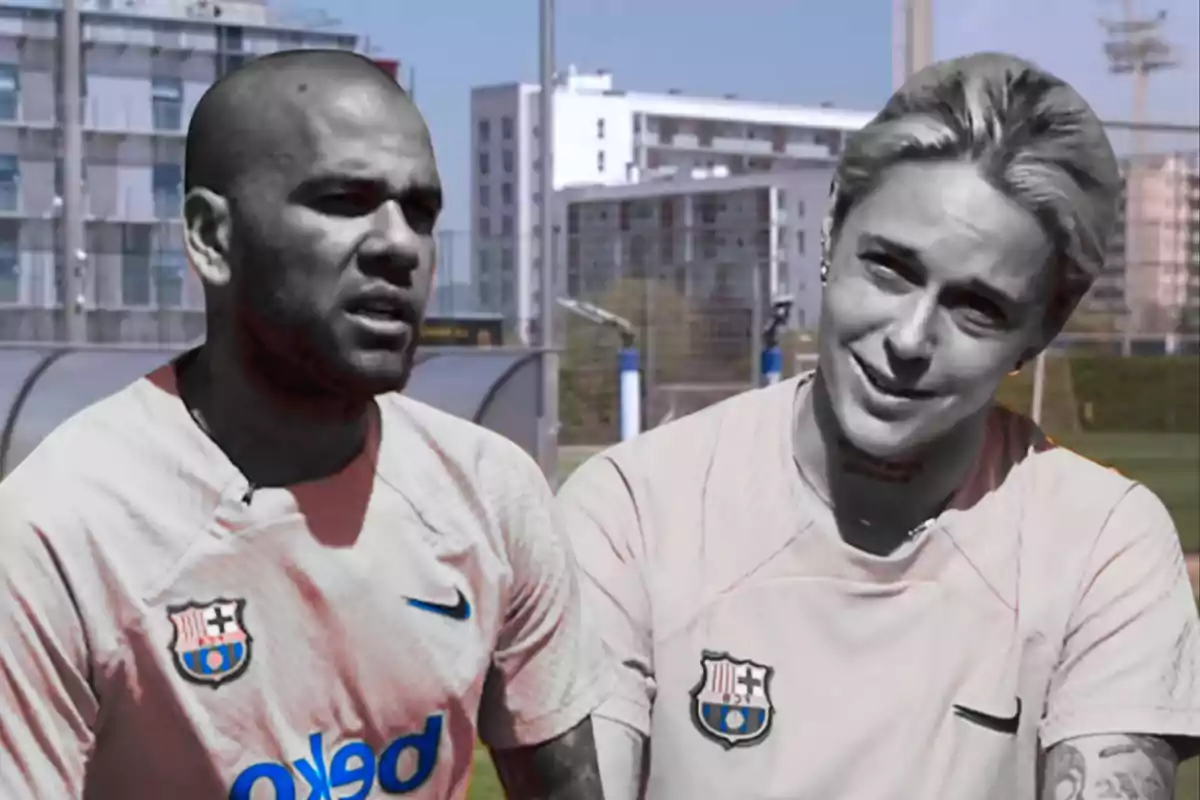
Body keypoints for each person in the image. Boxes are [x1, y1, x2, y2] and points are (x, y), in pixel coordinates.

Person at [557, 52, 1200, 799]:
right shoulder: (633, 511)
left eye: (978, 307)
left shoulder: (1101, 546)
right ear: (831, 231)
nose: (910, 338)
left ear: (1044, 327)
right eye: (891, 268)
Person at [0, 50, 608, 800]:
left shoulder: (492, 492)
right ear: (212, 238)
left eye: (419, 212)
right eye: (343, 201)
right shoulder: (57, 532)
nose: (398, 246)